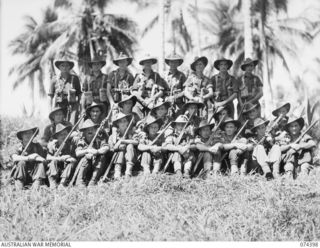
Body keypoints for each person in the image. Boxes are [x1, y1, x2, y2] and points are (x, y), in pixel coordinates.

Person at [71, 119, 109, 186]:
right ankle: (80, 181)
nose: (90, 131)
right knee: (85, 158)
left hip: (97, 166)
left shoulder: (99, 139)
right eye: (87, 129)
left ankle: (93, 180)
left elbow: (106, 148)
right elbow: (77, 153)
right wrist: (87, 151)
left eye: (92, 129)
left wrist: (97, 152)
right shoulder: (82, 141)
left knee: (102, 157)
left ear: (95, 130)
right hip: (85, 167)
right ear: (84, 132)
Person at [10, 125, 47, 190]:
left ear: (33, 135)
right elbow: (14, 158)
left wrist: (37, 156)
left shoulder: (37, 146)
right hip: (20, 174)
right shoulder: (17, 147)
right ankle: (19, 187)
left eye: (30, 133)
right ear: (21, 136)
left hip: (34, 174)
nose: (28, 135)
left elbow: (43, 160)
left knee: (40, 164)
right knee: (21, 162)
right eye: (25, 133)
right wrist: (29, 157)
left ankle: (36, 186)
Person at [48, 55, 81, 125]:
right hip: (59, 106)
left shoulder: (74, 78)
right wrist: (50, 110)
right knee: (59, 125)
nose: (65, 67)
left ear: (69, 67)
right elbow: (50, 96)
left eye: (67, 65)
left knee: (71, 125)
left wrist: (80, 108)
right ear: (59, 67)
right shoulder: (54, 80)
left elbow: (79, 94)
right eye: (62, 65)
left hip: (72, 106)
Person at [46, 124, 78, 188]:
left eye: (65, 134)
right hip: (54, 170)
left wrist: (68, 158)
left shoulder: (71, 145)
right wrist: (60, 158)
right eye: (61, 135)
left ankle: (62, 183)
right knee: (53, 161)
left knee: (72, 163)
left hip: (66, 170)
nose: (64, 136)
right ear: (57, 137)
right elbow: (47, 157)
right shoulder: (53, 145)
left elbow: (75, 158)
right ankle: (53, 182)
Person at [108, 113, 138, 179]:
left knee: (130, 146)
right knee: (121, 150)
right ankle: (117, 172)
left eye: (124, 121)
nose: (123, 123)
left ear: (127, 122)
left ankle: (128, 171)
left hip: (130, 157)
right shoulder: (113, 136)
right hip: (118, 159)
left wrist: (123, 141)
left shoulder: (131, 133)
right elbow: (111, 148)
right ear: (117, 124)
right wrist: (118, 146)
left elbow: (136, 142)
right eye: (120, 122)